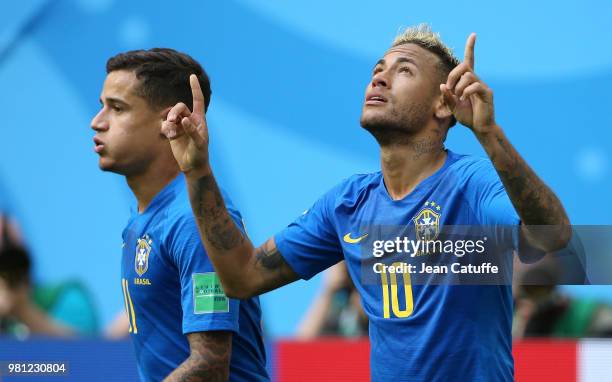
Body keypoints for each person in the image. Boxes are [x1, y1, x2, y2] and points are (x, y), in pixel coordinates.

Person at [161, 24, 571, 381]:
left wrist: (489, 133)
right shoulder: (346, 204)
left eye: (403, 70)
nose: (379, 79)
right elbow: (243, 277)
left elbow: (552, 237)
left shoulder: (472, 182)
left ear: (443, 104)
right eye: (377, 70)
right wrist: (198, 172)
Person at [90, 48, 268, 382]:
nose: (97, 121)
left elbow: (210, 366)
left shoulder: (192, 221)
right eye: (102, 106)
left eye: (116, 108)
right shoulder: (146, 216)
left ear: (169, 119)